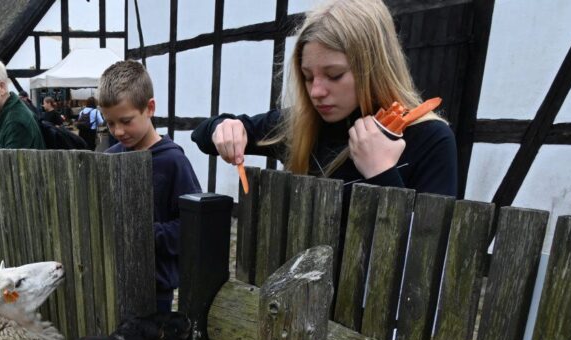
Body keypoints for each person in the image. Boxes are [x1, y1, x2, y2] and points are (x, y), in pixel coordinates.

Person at [192, 0, 457, 201]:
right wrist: (223, 127)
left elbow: (430, 253)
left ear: (374, 68)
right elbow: (202, 136)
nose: (316, 91)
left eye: (334, 75)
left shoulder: (430, 138)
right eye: (308, 77)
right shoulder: (301, 124)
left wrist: (381, 172)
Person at [99, 60, 202, 313]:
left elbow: (192, 227)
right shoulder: (109, 157)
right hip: (112, 279)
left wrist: (146, 233)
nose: (118, 131)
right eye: (110, 123)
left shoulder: (174, 162)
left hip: (154, 290)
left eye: (126, 120)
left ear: (150, 108)